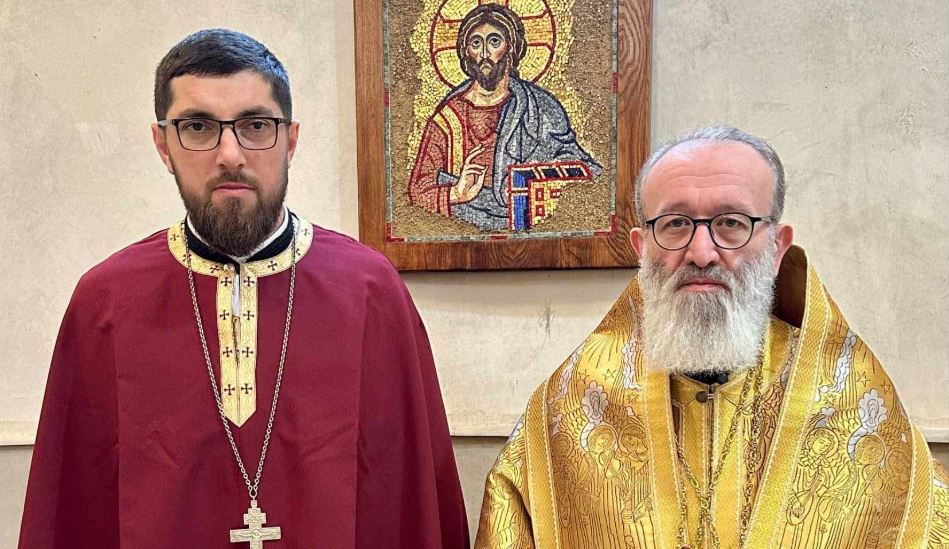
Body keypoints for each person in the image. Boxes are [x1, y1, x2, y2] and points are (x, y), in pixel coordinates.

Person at [19, 29, 468, 549]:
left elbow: (413, 505)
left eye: (256, 125)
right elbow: (74, 512)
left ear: (290, 140)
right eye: (198, 127)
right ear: (163, 145)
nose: (230, 154)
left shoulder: (370, 292)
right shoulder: (106, 305)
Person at [475, 126, 949, 548]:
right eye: (675, 224)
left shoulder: (854, 395)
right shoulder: (570, 405)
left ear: (778, 248)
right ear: (642, 247)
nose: (702, 252)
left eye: (731, 223)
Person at [408, 3, 601, 231]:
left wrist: (541, 176)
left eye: (494, 41)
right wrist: (457, 193)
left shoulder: (541, 108)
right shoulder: (448, 119)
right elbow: (418, 190)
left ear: (511, 47)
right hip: (465, 226)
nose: (484, 54)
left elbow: (585, 169)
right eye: (476, 43)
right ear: (465, 52)